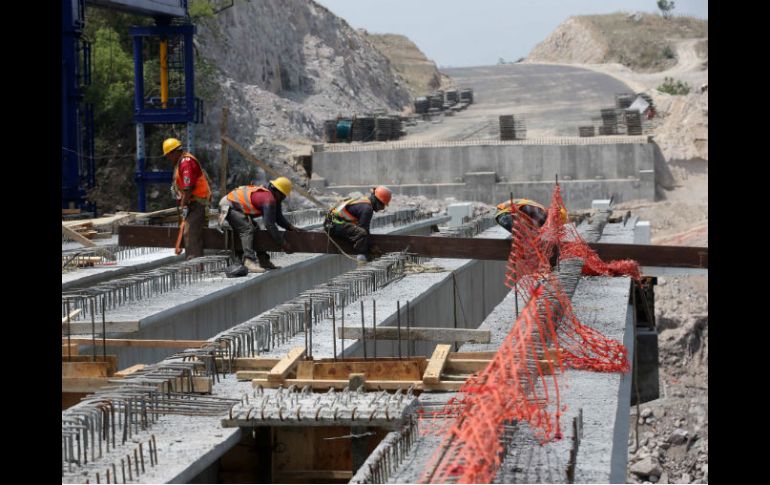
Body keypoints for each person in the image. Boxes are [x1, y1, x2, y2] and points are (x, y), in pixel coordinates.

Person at [218, 177, 300, 273]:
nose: (283, 199)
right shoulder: (268, 199)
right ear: (278, 192)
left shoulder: (273, 197)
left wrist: (290, 227)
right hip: (229, 205)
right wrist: (283, 244)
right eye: (283, 196)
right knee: (247, 229)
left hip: (237, 207)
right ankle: (249, 260)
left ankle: (263, 260)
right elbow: (269, 225)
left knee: (256, 229)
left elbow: (278, 217)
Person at [163, 138, 212, 259]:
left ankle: (194, 265)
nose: (168, 158)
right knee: (191, 232)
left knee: (190, 232)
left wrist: (183, 205)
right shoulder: (182, 161)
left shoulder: (186, 162)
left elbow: (189, 187)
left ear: (174, 152)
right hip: (194, 203)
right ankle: (195, 262)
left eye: (168, 155)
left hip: (198, 203)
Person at [325, 186, 392, 265]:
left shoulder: (364, 202)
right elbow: (364, 230)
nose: (381, 208)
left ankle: (364, 257)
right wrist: (371, 247)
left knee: (361, 233)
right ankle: (362, 261)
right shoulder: (367, 209)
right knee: (361, 233)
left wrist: (371, 246)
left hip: (332, 223)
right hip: (333, 225)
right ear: (378, 201)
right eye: (382, 206)